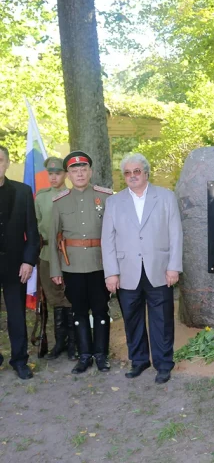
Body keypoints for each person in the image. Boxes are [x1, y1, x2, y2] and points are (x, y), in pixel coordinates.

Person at [101, 154, 183, 384]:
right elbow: (107, 240)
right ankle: (139, 361)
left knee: (162, 320)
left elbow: (176, 234)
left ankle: (164, 364)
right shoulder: (114, 202)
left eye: (136, 171)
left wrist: (174, 267)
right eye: (127, 173)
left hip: (159, 269)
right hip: (126, 271)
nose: (132, 176)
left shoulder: (166, 197)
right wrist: (111, 272)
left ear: (146, 172)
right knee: (132, 319)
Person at [49, 151, 113, 374]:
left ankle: (101, 355)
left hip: (100, 264)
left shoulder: (106, 197)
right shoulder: (59, 202)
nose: (79, 174)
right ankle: (84, 355)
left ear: (90, 171)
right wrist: (55, 269)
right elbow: (53, 237)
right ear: (68, 175)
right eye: (74, 171)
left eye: (83, 170)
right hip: (72, 266)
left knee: (101, 311)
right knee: (79, 311)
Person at [0, 145, 40, 379]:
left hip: (17, 266)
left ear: (6, 164)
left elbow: (32, 234)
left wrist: (28, 261)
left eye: (0, 160)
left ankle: (19, 360)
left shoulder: (23, 192)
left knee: (16, 315)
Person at [35, 157, 76, 360]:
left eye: (57, 173)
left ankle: (73, 342)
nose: (53, 177)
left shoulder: (72, 195)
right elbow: (35, 226)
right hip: (46, 254)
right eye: (50, 173)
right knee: (53, 298)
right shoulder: (41, 197)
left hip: (68, 254)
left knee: (70, 296)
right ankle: (60, 342)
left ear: (66, 174)